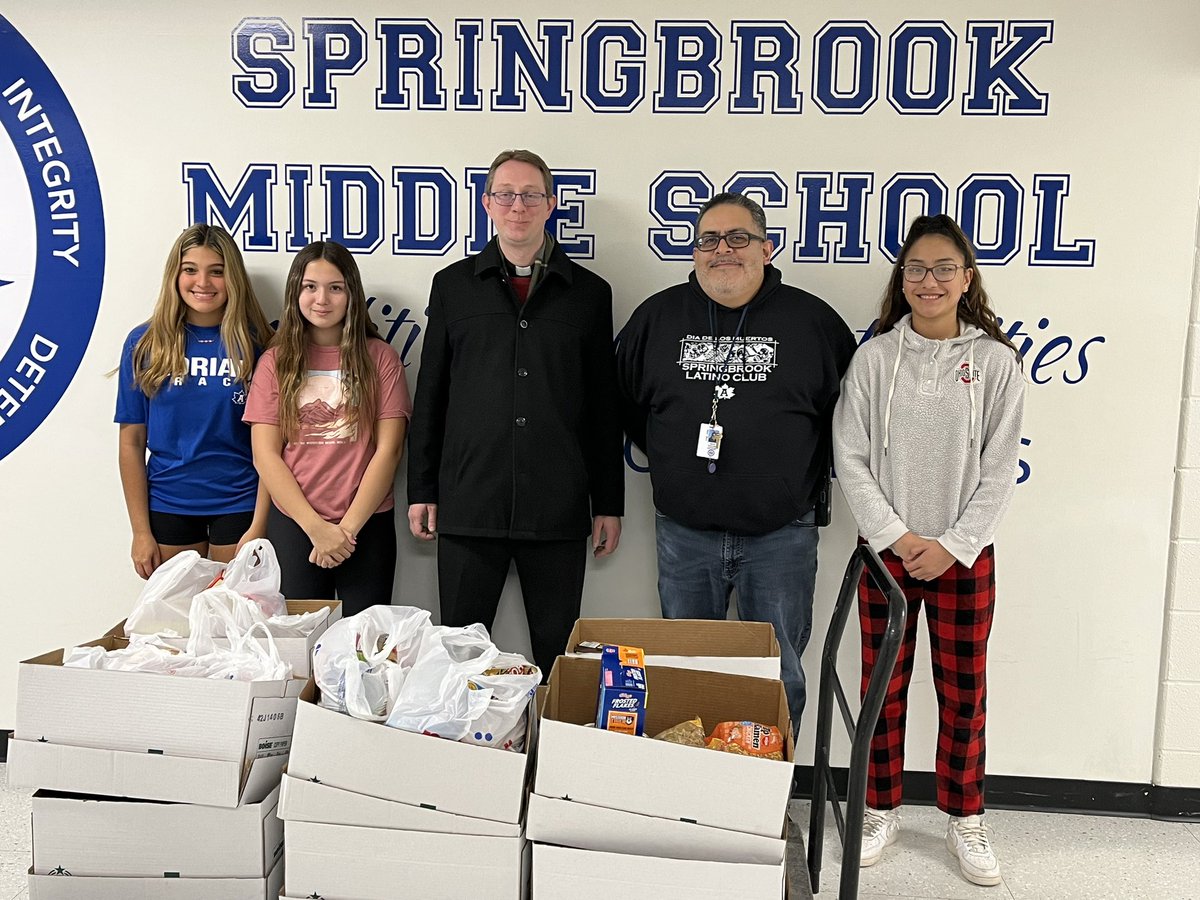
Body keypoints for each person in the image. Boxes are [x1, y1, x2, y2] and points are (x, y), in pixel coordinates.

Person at [615, 192, 856, 735]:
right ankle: (695, 783)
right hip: (684, 533)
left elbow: (847, 417)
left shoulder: (813, 322)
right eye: (709, 239)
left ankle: (769, 785)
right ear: (694, 252)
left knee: (778, 676)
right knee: (685, 674)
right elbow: (628, 405)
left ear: (767, 248)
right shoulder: (657, 318)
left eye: (738, 237)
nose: (722, 249)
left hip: (782, 536)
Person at [832, 214, 1025, 886]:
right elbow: (850, 457)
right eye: (916, 268)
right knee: (881, 689)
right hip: (887, 554)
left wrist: (953, 544)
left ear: (966, 278)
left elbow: (1000, 469)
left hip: (964, 557)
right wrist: (898, 536)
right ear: (902, 279)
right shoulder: (874, 359)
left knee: (964, 692)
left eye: (944, 268)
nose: (929, 281)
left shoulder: (995, 363)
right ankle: (879, 808)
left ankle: (965, 817)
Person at [406, 148, 624, 679]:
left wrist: (608, 503)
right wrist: (422, 489)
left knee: (558, 658)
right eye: (505, 194)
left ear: (551, 203)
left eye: (530, 195)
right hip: (469, 502)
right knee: (459, 658)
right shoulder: (453, 286)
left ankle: (548, 737)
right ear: (487, 204)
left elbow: (603, 406)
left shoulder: (590, 294)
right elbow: (432, 394)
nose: (517, 206)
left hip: (557, 508)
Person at [244, 241, 410, 616]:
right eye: (310, 287)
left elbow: (390, 451)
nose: (322, 299)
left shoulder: (380, 358)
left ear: (352, 294)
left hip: (367, 523)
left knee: (365, 640)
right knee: (298, 639)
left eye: (335, 287)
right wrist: (316, 529)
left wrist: (345, 531)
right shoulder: (275, 361)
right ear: (295, 292)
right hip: (295, 523)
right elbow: (265, 455)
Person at [115, 223, 273, 579]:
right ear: (175, 274)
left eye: (216, 271)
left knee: (234, 611)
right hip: (169, 501)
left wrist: (261, 523)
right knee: (177, 613)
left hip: (240, 500)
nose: (203, 282)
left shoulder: (259, 344)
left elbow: (274, 444)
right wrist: (140, 531)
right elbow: (131, 442)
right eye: (190, 269)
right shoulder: (144, 343)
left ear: (233, 278)